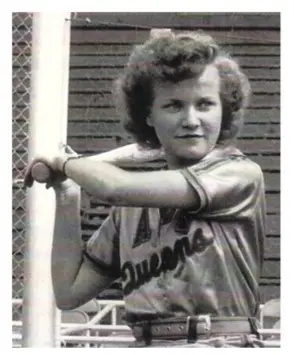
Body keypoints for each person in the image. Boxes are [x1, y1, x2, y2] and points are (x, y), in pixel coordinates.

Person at [24, 30, 266, 347]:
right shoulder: (131, 210)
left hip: (221, 341)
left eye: (205, 104)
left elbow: (114, 186)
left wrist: (66, 162)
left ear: (223, 111)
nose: (191, 120)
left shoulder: (239, 174)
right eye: (174, 105)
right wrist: (68, 194)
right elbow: (69, 293)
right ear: (149, 116)